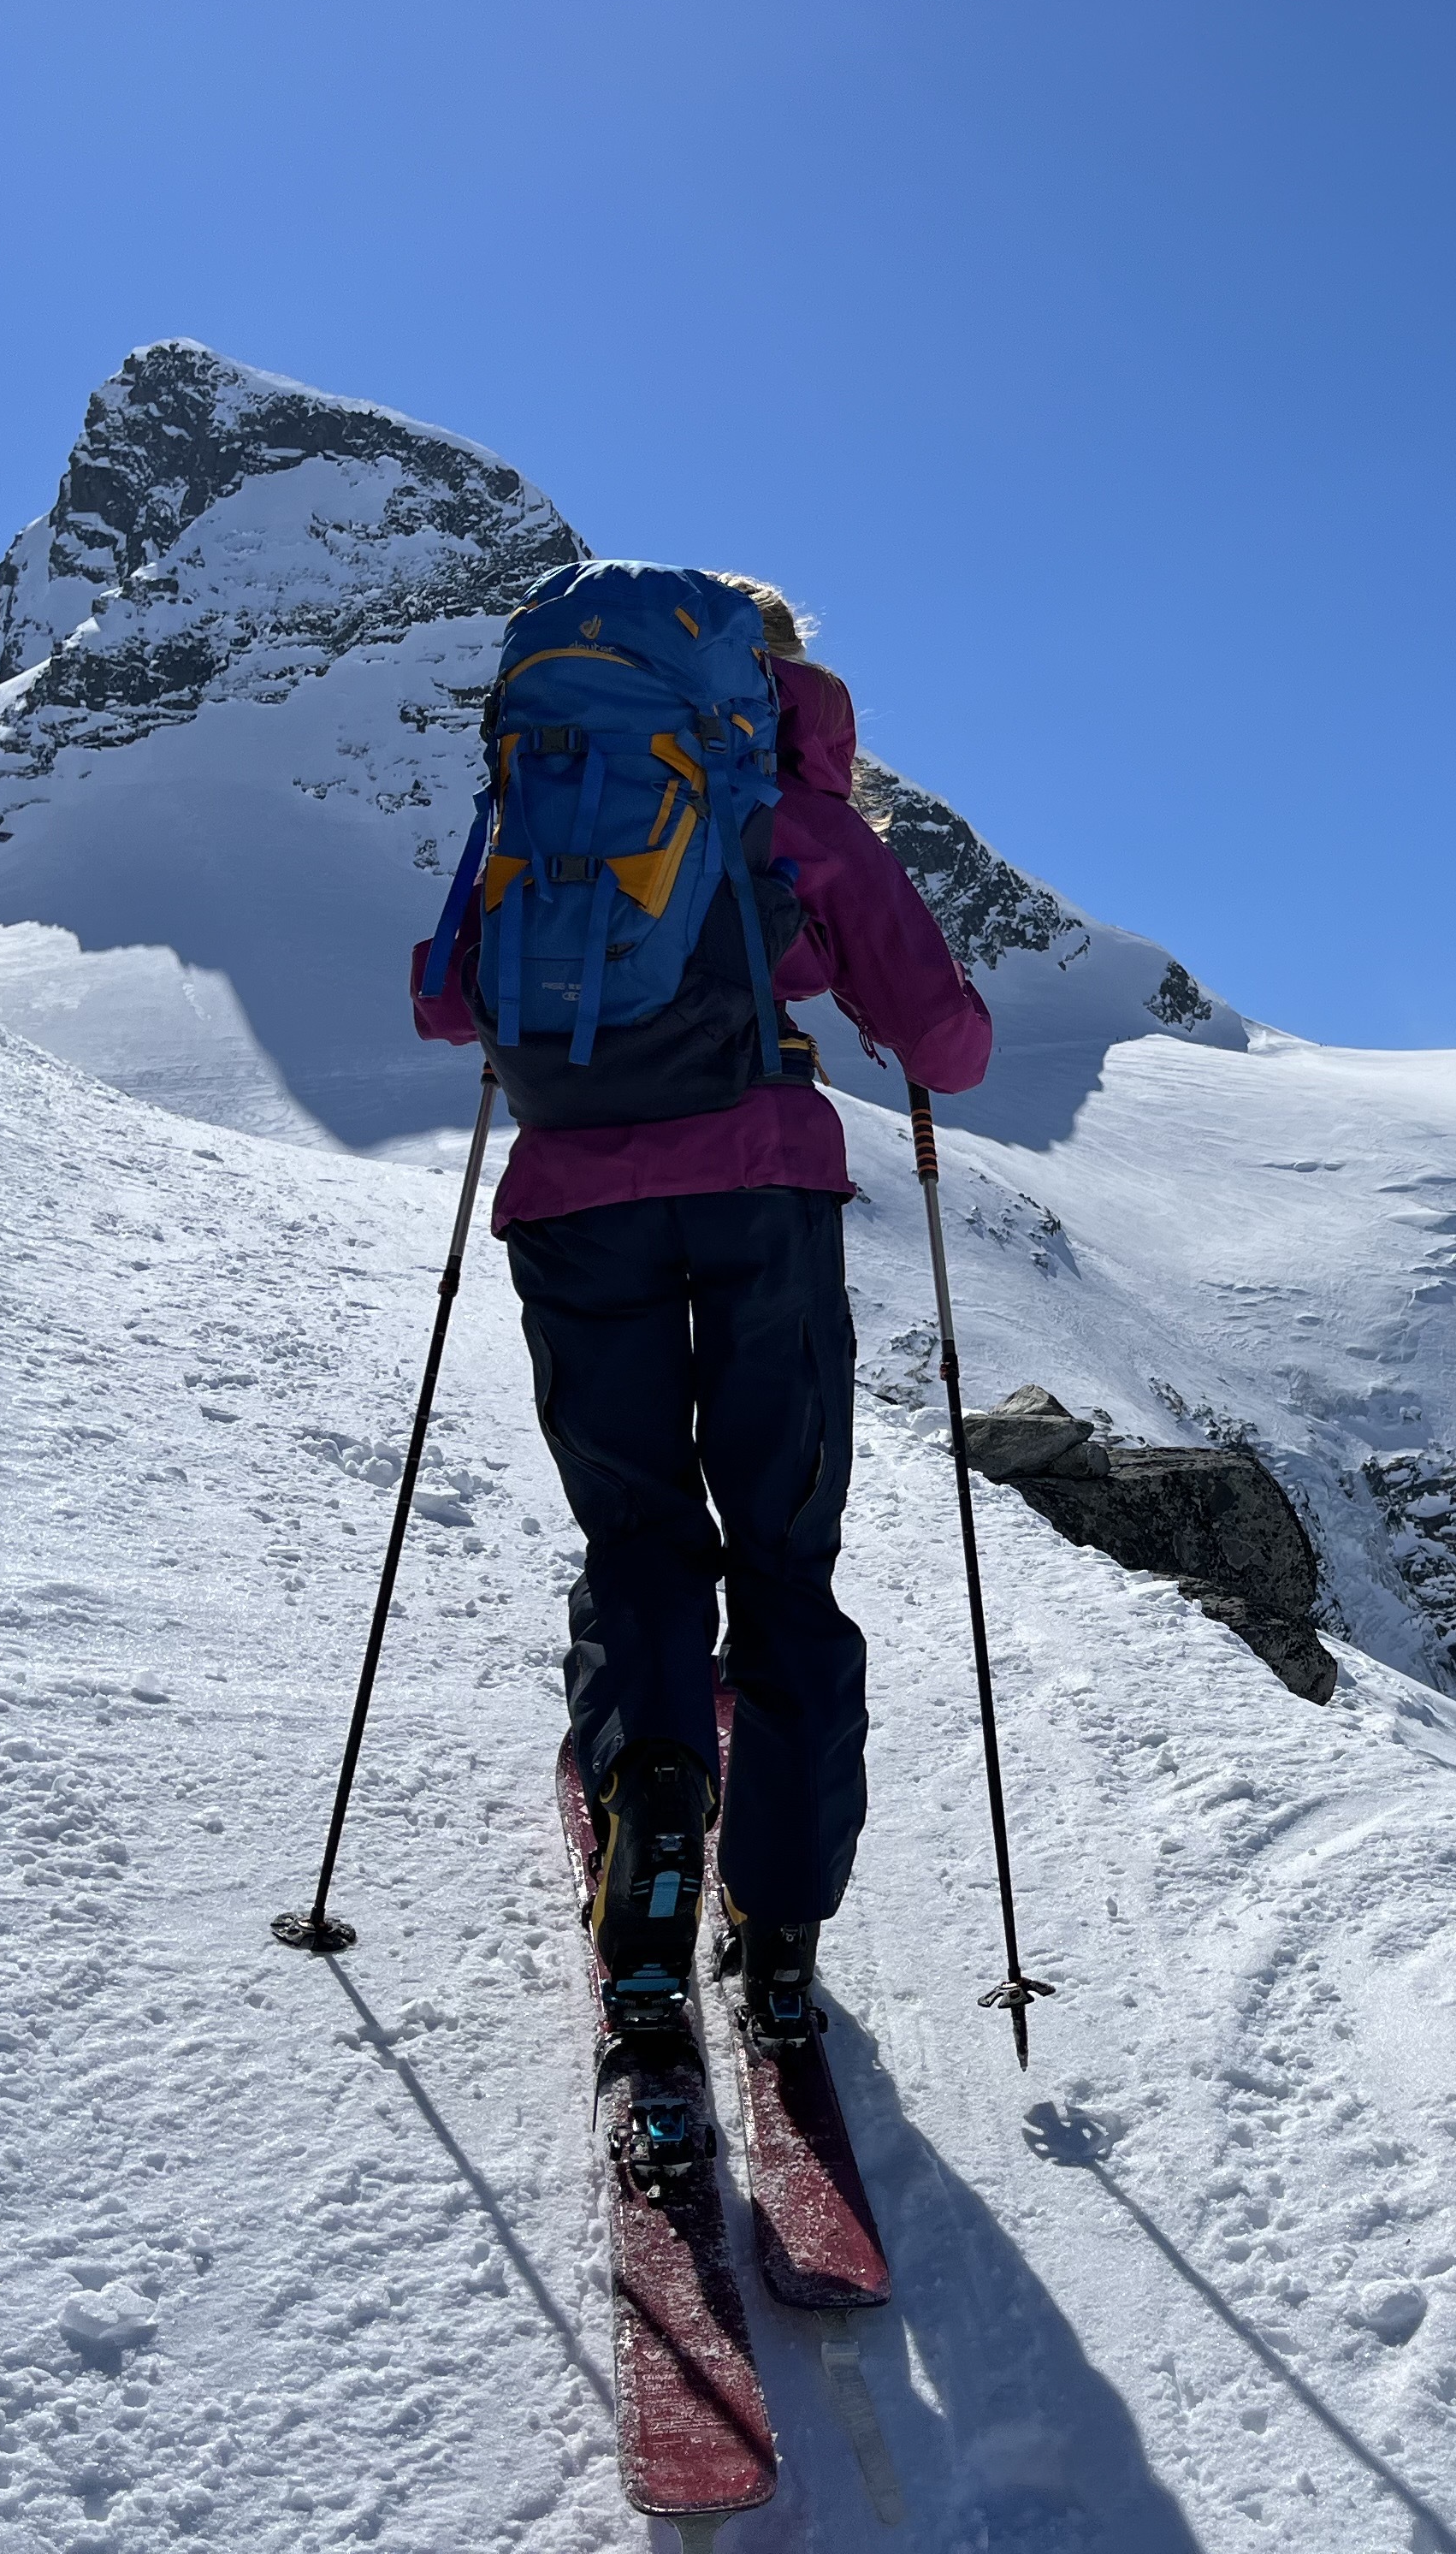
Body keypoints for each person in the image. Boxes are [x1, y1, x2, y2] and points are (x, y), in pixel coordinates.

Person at [410, 576, 991, 2048]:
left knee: (638, 1537)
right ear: (770, 683)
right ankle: (779, 1924)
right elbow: (950, 1046)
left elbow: (447, 1000)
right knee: (783, 1555)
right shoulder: (790, 808)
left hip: (570, 1205)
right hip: (761, 1199)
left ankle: (655, 1807)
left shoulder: (548, 789)